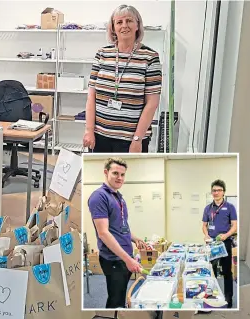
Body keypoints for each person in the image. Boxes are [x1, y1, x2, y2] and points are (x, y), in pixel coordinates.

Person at [83, 5, 162, 153]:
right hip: (100, 137)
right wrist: (89, 130)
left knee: (129, 176)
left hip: (131, 139)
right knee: (101, 176)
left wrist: (137, 139)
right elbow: (91, 96)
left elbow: (152, 103)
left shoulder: (150, 57)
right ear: (113, 27)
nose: (124, 26)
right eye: (119, 22)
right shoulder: (102, 54)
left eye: (129, 21)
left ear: (137, 25)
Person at [88, 157, 146, 308]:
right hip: (114, 258)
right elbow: (103, 233)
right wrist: (128, 260)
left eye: (122, 175)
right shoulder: (99, 197)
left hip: (124, 256)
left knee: (120, 296)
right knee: (115, 301)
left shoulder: (118, 196)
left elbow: (121, 226)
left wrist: (135, 238)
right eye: (115, 173)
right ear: (106, 172)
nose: (119, 178)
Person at [202, 179, 237, 308]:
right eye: (214, 190)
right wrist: (206, 235)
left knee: (227, 271)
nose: (216, 192)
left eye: (218, 190)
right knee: (211, 271)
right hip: (211, 244)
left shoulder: (230, 207)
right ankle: (212, 298)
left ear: (223, 192)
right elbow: (204, 226)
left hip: (225, 243)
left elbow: (234, 226)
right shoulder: (208, 208)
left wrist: (226, 235)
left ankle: (229, 299)